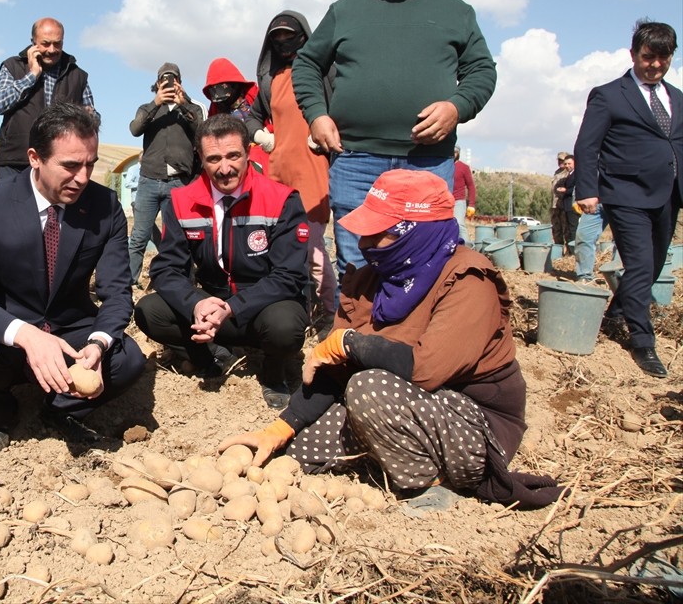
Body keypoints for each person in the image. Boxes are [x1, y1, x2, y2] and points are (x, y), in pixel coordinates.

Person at [220, 170, 566, 513]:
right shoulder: (372, 280)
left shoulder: (468, 280)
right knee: (295, 451)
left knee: (367, 388)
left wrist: (350, 344)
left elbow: (427, 369)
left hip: (472, 422)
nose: (365, 245)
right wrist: (282, 426)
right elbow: (334, 369)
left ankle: (436, 483)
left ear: (414, 233)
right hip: (398, 406)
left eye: (379, 234)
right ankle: (388, 450)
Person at [292, 0, 497, 276]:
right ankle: (354, 333)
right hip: (355, 161)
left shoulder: (455, 12)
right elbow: (307, 64)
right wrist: (317, 115)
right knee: (356, 266)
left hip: (427, 163)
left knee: (424, 264)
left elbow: (482, 71)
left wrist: (457, 106)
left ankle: (414, 334)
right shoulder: (346, 10)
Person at [0, 104, 146, 457]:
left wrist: (98, 345)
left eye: (90, 164)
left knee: (129, 360)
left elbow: (117, 292)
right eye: (70, 165)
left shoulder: (106, 206)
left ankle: (59, 410)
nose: (84, 177)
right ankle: (2, 412)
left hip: (71, 327)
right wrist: (26, 335)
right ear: (35, 158)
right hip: (10, 323)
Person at [134, 115, 309, 409]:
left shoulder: (282, 199)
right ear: (200, 157)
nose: (225, 168)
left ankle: (273, 371)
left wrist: (233, 308)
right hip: (212, 305)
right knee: (149, 312)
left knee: (286, 326)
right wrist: (196, 304)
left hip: (262, 307)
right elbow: (165, 269)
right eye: (214, 158)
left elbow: (289, 276)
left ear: (248, 152)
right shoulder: (181, 201)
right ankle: (212, 354)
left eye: (233, 156)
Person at [574, 20, 681, 378]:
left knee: (652, 264)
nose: (655, 65)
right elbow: (587, 145)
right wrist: (587, 189)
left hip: (668, 194)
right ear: (633, 54)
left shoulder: (677, 98)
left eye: (663, 58)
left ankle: (616, 313)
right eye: (648, 57)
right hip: (625, 193)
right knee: (639, 264)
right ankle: (643, 341)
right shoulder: (609, 95)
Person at [245, 10, 336, 324]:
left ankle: (330, 311)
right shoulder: (272, 80)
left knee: (311, 247)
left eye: (289, 35)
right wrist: (261, 137)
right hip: (279, 172)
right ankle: (295, 309)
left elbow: (344, 106)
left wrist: (326, 130)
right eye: (277, 37)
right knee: (282, 247)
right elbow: (251, 116)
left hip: (314, 169)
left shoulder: (321, 73)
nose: (284, 42)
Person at [127, 63, 204, 285]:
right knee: (139, 237)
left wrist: (184, 104)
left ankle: (182, 283)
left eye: (173, 79)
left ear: (180, 82)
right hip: (149, 180)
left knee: (180, 238)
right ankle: (129, 285)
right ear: (157, 84)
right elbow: (134, 129)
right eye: (164, 80)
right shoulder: (147, 108)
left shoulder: (193, 109)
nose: (169, 83)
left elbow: (202, 132)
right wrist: (156, 103)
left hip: (179, 182)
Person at [0, 18, 95, 180]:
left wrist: (88, 115)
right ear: (33, 42)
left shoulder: (78, 75)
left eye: (57, 44)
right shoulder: (13, 66)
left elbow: (92, 119)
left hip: (59, 164)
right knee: (13, 205)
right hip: (15, 161)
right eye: (45, 43)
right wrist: (32, 75)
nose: (52, 49)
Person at [202, 57, 269, 170]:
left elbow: (274, 118)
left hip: (261, 153)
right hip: (229, 160)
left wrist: (266, 134)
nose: (221, 99)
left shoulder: (254, 96)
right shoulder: (215, 108)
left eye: (223, 88)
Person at [551, 155, 578, 255]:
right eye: (564, 162)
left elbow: (576, 188)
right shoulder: (561, 174)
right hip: (563, 205)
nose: (566, 165)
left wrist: (565, 190)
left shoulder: (575, 173)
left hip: (572, 205)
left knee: (571, 230)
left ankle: (572, 252)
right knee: (562, 229)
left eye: (568, 163)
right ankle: (567, 252)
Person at [452, 146, 476, 242]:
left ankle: (466, 248)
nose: (453, 154)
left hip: (458, 201)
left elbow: (471, 186)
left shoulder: (464, 168)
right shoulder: (445, 166)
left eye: (455, 152)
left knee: (459, 224)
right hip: (445, 200)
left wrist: (471, 205)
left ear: (458, 153)